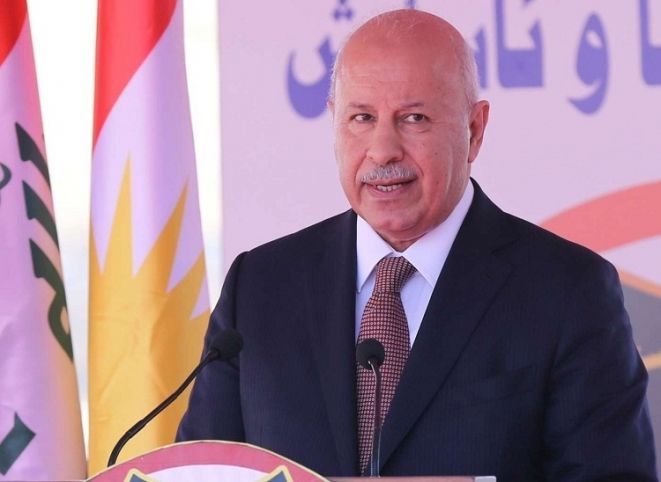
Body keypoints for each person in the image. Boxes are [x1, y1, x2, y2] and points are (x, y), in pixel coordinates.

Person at [177, 9, 657, 481]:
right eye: (361, 118)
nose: (383, 149)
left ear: (474, 130)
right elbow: (198, 473)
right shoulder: (259, 288)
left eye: (414, 118)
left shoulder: (568, 292)